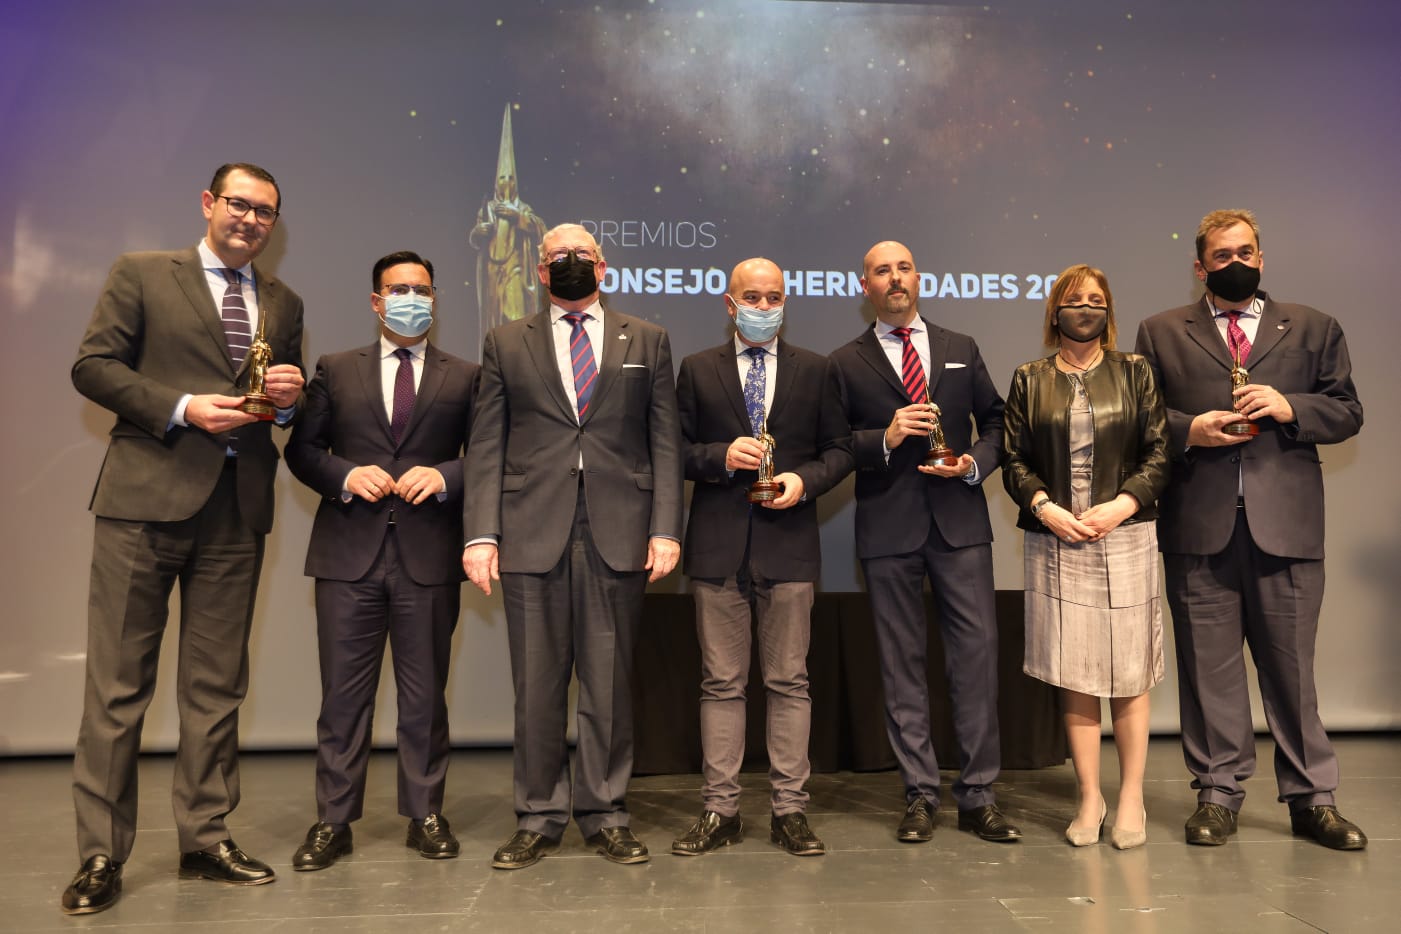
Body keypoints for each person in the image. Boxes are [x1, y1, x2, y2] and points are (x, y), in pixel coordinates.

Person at [64, 163, 306, 914]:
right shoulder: (141, 273)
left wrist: (291, 401)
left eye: (265, 212)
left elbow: (276, 399)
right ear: (208, 204)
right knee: (117, 689)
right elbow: (92, 366)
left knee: (215, 689)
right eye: (239, 204)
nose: (251, 219)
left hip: (236, 509)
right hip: (143, 503)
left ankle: (205, 838)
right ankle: (101, 855)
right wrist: (180, 406)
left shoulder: (283, 301)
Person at [1135, 209, 1367, 851]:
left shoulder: (1314, 326)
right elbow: (1143, 419)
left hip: (1286, 527)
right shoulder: (1160, 331)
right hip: (1197, 525)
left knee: (1292, 670)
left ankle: (1312, 800)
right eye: (1221, 254)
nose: (1234, 262)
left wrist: (1293, 407)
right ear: (1200, 265)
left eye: (1245, 252)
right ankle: (1216, 793)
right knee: (1207, 672)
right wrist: (1192, 431)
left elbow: (1348, 411)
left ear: (1261, 258)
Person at [462, 223, 683, 869]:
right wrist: (481, 535)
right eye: (557, 256)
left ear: (602, 265)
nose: (568, 263)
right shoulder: (506, 341)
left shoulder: (647, 339)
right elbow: (486, 444)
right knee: (536, 684)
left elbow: (664, 439)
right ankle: (537, 814)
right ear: (538, 270)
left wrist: (666, 526)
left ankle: (605, 810)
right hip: (531, 532)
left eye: (580, 254)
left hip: (619, 531)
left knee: (608, 684)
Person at [284, 251, 481, 871]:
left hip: (428, 556)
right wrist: (345, 475)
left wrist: (447, 475)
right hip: (349, 555)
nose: (411, 299)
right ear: (376, 301)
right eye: (398, 290)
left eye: (422, 289)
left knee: (425, 698)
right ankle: (332, 821)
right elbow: (302, 451)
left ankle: (425, 813)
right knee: (343, 697)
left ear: (434, 299)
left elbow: (490, 456)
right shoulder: (336, 369)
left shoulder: (466, 375)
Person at [828, 240, 1020, 844]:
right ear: (866, 286)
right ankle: (918, 793)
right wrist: (882, 438)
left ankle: (979, 795)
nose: (895, 278)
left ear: (918, 278)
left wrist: (971, 464)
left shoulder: (960, 347)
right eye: (882, 271)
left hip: (960, 525)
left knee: (976, 660)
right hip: (888, 528)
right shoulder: (845, 361)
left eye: (903, 268)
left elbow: (997, 421)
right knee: (901, 664)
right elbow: (835, 447)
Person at [670, 258, 853, 858]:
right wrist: (722, 455)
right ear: (729, 303)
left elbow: (840, 450)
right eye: (752, 296)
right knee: (721, 682)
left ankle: (789, 812)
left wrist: (804, 481)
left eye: (774, 296)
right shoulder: (697, 370)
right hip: (719, 545)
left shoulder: (817, 369)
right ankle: (720, 810)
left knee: (789, 681)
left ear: (786, 301)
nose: (764, 306)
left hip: (790, 544)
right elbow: (675, 449)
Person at [1002, 264, 1169, 850]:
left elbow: (1159, 451)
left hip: (1124, 533)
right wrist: (1045, 508)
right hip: (1057, 536)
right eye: (1074, 300)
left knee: (1128, 671)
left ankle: (1130, 796)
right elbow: (1014, 457)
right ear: (1055, 311)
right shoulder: (1030, 377)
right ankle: (1089, 796)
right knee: (1075, 671)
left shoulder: (1136, 371)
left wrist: (1122, 505)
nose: (1085, 309)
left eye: (1096, 301)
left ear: (1109, 311)